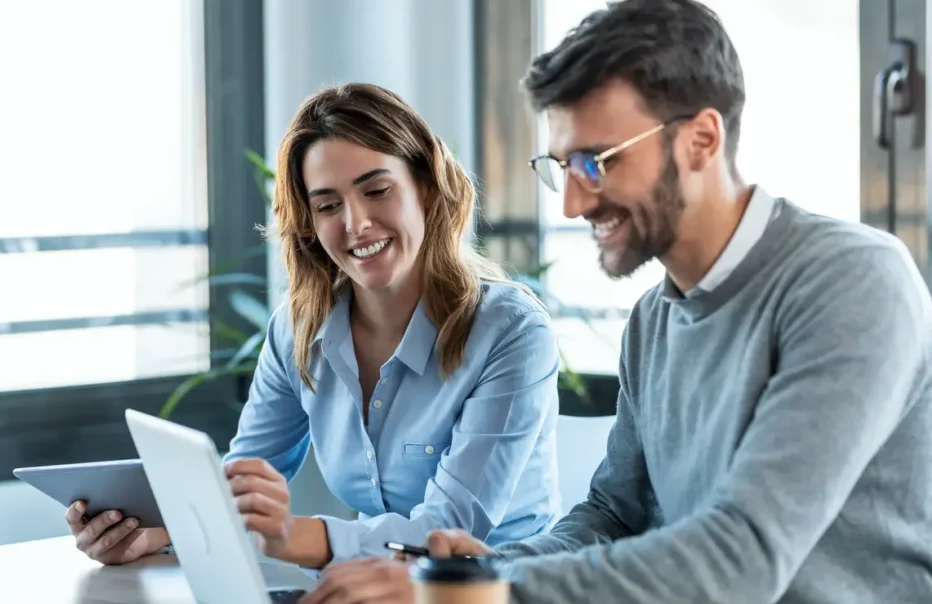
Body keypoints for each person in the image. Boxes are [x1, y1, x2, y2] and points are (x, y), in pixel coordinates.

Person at [287, 0, 932, 604]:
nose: (573, 202)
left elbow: (745, 553)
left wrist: (488, 597)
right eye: (563, 166)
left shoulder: (852, 281)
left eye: (599, 161)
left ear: (702, 140)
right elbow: (612, 515)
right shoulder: (655, 318)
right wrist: (482, 570)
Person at [65, 83, 563, 571]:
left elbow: (449, 530)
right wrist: (154, 533)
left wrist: (293, 536)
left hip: (499, 600)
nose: (356, 223)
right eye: (328, 205)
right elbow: (246, 484)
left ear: (427, 189)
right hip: (369, 594)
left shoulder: (511, 332)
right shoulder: (300, 331)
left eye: (377, 190)